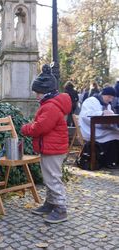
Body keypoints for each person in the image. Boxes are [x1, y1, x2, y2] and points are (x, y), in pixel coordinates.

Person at [21, 64, 71, 224]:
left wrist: (26, 128)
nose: (36, 96)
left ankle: (61, 208)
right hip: (51, 147)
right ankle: (50, 203)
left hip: (53, 149)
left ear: (46, 92)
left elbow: (41, 127)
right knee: (49, 177)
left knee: (53, 178)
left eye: (38, 93)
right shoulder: (51, 105)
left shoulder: (50, 107)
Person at [79, 86, 119, 168]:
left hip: (101, 129)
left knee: (116, 133)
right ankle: (109, 161)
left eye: (112, 98)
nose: (110, 100)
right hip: (90, 129)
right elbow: (85, 115)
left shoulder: (107, 105)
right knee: (114, 135)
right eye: (109, 97)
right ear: (103, 94)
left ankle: (113, 160)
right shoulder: (91, 101)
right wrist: (101, 113)